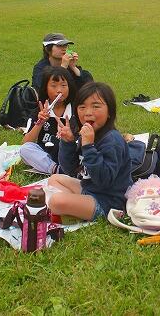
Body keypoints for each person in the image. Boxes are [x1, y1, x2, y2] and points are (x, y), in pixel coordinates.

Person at [48, 82, 132, 221]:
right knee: (54, 179)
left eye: (96, 106)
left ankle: (74, 207)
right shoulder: (88, 134)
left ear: (109, 112)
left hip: (109, 202)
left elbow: (104, 180)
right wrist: (68, 142)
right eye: (82, 107)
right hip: (90, 190)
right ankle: (76, 206)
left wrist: (88, 147)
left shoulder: (112, 140)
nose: (88, 112)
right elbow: (70, 170)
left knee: (57, 201)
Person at [20, 67, 76, 175]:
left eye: (63, 85)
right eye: (53, 86)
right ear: (45, 88)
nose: (59, 90)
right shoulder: (39, 111)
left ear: (70, 87)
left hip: (70, 156)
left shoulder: (77, 111)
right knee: (25, 150)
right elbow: (26, 143)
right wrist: (40, 123)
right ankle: (56, 169)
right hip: (47, 155)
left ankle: (64, 168)